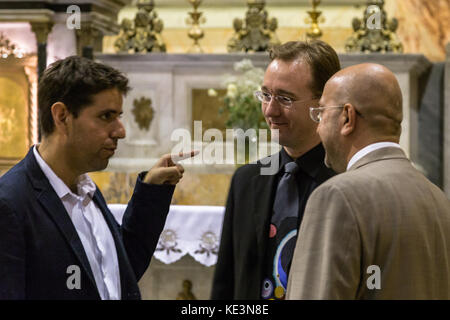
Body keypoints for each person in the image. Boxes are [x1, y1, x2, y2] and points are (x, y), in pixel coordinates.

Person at [0, 56, 194, 299]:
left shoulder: (85, 189)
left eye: (119, 116)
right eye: (106, 116)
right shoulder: (10, 204)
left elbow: (120, 273)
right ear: (62, 117)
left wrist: (151, 191)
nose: (121, 131)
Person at [287, 63, 450, 299]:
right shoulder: (438, 199)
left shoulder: (337, 196)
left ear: (347, 118)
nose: (318, 128)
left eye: (321, 113)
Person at [211, 40, 339, 300]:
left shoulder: (347, 183)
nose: (270, 110)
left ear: (322, 103)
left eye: (285, 98)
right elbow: (226, 280)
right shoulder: (246, 181)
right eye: (266, 95)